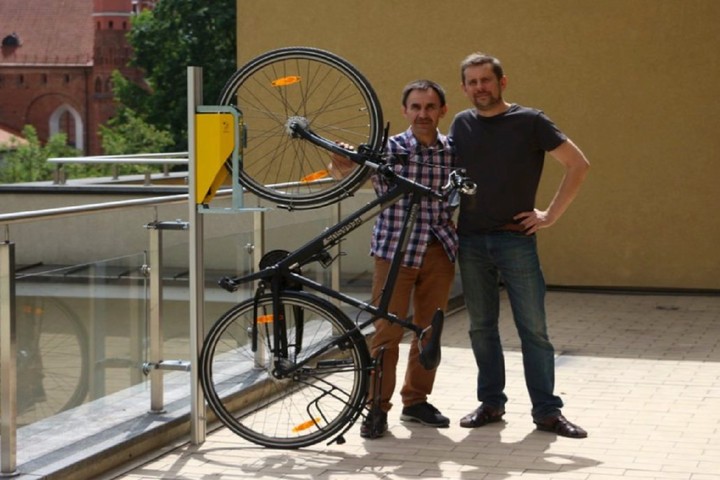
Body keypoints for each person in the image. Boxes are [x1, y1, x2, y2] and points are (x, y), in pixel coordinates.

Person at [449, 53, 590, 438]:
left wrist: (550, 215)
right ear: (464, 88)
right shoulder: (461, 124)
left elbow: (578, 164)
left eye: (486, 80)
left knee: (534, 330)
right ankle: (491, 403)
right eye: (472, 82)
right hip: (471, 240)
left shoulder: (530, 121)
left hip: (516, 240)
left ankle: (547, 412)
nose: (480, 87)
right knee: (481, 328)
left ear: (502, 82)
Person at [330, 79, 457, 439]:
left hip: (439, 249)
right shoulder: (388, 149)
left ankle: (416, 401)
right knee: (387, 332)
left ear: (442, 110)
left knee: (429, 330)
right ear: (405, 111)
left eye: (430, 107)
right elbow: (341, 176)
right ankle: (376, 408)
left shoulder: (453, 152)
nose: (423, 114)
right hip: (393, 251)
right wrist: (340, 160)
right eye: (416, 107)